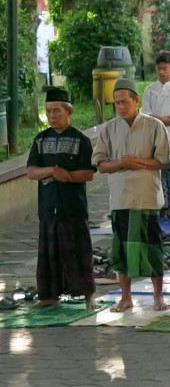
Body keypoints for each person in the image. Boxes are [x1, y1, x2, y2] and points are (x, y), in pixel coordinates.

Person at [92, 79, 170, 313]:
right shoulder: (109, 129)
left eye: (125, 102)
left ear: (136, 100)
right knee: (121, 251)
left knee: (153, 249)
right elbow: (100, 164)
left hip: (147, 197)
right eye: (116, 103)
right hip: (120, 199)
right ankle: (126, 298)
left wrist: (140, 163)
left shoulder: (154, 126)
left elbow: (165, 161)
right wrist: (122, 162)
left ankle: (158, 297)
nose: (121, 107)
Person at [26, 89, 98, 310]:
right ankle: (48, 296)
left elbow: (88, 173)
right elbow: (31, 171)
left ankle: (88, 297)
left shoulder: (81, 140)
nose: (51, 116)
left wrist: (65, 177)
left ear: (69, 111)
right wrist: (53, 170)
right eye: (48, 112)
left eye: (56, 111)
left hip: (72, 208)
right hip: (48, 208)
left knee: (79, 252)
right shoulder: (41, 139)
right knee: (48, 253)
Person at [140, 51, 170, 220]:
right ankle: (161, 207)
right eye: (159, 69)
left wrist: (159, 120)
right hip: (154, 137)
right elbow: (145, 114)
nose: (161, 72)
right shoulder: (149, 90)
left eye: (165, 69)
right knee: (158, 174)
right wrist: (161, 121)